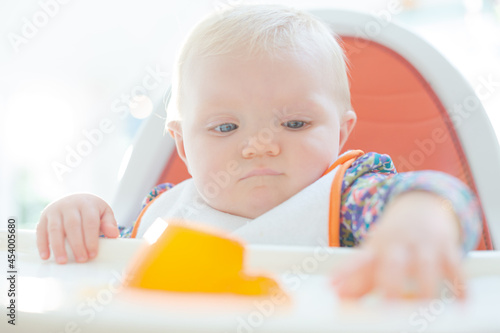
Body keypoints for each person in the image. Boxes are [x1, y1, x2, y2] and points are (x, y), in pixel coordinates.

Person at [36, 4, 481, 299]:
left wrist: (423, 214)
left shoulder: (348, 201)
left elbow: (443, 193)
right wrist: (81, 220)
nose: (259, 145)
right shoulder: (166, 214)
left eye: (294, 123)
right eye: (226, 126)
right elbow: (110, 271)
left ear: (341, 133)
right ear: (183, 144)